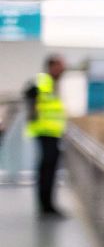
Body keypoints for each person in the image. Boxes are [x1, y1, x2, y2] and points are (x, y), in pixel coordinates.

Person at [23, 54, 66, 217]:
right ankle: (46, 206)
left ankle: (48, 205)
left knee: (49, 170)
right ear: (52, 66)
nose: (62, 69)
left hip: (52, 132)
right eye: (60, 66)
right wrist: (32, 114)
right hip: (44, 132)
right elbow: (29, 93)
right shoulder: (43, 81)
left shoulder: (53, 83)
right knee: (47, 170)